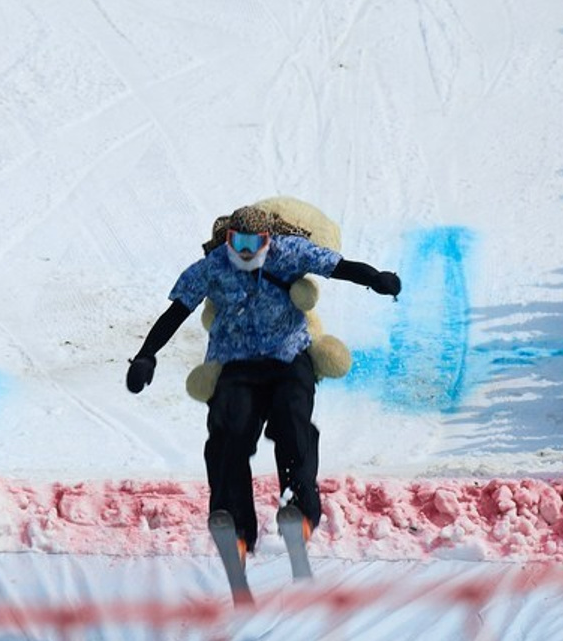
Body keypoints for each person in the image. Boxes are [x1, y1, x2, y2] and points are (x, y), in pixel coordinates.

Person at [126, 205, 401, 554]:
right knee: (229, 434)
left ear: (268, 239)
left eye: (253, 242)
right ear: (227, 238)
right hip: (234, 362)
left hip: (287, 356)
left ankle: (299, 509)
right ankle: (234, 524)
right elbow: (176, 312)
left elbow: (339, 267)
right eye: (236, 241)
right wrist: (147, 355)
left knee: (293, 423)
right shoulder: (213, 267)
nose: (244, 250)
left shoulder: (290, 252)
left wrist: (375, 278)